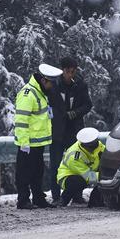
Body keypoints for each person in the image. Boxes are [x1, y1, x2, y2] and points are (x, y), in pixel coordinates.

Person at [14, 63, 62, 209]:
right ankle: (23, 200)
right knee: (24, 173)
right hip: (28, 143)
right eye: (51, 84)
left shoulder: (40, 93)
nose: (52, 87)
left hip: (38, 143)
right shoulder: (28, 94)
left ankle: (38, 198)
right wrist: (24, 143)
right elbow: (21, 120)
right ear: (43, 81)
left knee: (37, 172)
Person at [48, 55, 93, 204]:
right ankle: (56, 196)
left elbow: (88, 105)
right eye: (68, 71)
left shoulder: (81, 85)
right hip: (57, 131)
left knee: (77, 164)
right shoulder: (53, 85)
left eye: (73, 71)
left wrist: (75, 113)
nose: (70, 75)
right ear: (62, 71)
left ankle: (76, 195)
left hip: (75, 131)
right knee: (55, 165)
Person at [56, 127, 105, 207]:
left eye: (95, 143)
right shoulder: (74, 155)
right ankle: (63, 200)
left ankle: (96, 201)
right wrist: (105, 176)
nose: (94, 147)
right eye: (91, 146)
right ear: (84, 145)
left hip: (88, 174)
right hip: (67, 177)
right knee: (78, 181)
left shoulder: (98, 146)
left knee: (103, 176)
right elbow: (88, 176)